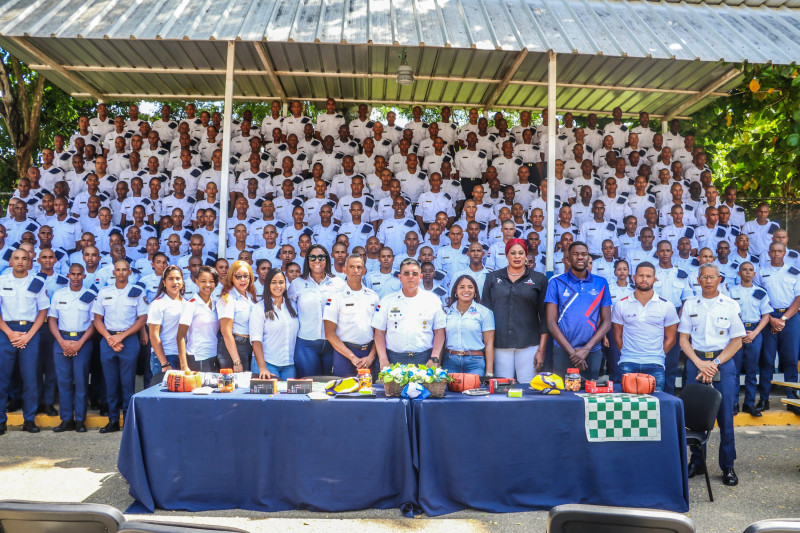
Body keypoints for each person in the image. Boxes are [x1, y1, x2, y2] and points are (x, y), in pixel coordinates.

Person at [678, 263, 745, 487]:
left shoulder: (730, 305)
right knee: (695, 417)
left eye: (712, 277)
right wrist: (699, 363)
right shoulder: (690, 304)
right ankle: (697, 463)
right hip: (696, 361)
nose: (707, 281)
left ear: (719, 279)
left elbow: (736, 341)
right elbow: (683, 339)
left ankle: (728, 466)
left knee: (726, 416)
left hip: (722, 362)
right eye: (704, 277)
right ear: (698, 280)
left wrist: (714, 363)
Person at [92, 260, 148, 434]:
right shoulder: (104, 292)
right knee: (110, 382)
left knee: (127, 382)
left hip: (128, 339)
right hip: (108, 339)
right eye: (118, 270)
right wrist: (110, 338)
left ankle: (129, 422)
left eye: (125, 270)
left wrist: (121, 337)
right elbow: (97, 319)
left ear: (130, 272)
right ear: (113, 272)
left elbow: (142, 319)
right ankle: (113, 420)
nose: (121, 273)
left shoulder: (137, 292)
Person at [482, 238, 547, 383]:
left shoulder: (539, 279)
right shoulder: (493, 278)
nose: (517, 256)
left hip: (529, 344)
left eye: (520, 253)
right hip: (499, 344)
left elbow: (545, 317)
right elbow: (485, 313)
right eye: (513, 253)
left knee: (528, 390)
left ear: (526, 255)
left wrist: (541, 351)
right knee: (502, 390)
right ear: (507, 255)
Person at [0, 249, 50, 435]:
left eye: (24, 258)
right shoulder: (2, 281)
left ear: (30, 262)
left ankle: (29, 420)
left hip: (31, 332)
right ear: (10, 261)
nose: (20, 261)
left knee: (31, 379)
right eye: (16, 258)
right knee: (2, 378)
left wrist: (28, 336)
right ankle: (0, 421)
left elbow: (43, 311)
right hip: (6, 332)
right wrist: (10, 334)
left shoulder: (37, 282)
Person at [546, 241, 612, 380]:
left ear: (588, 258)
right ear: (568, 259)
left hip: (592, 351)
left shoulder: (601, 283)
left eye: (584, 254)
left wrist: (586, 349)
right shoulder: (556, 283)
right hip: (563, 350)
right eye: (576, 254)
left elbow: (607, 322)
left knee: (590, 396)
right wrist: (573, 353)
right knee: (563, 395)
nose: (580, 257)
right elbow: (551, 323)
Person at [611, 262, 680, 391]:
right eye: (641, 275)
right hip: (627, 363)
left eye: (648, 276)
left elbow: (671, 338)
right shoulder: (621, 304)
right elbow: (617, 336)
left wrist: (658, 355)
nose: (644, 279)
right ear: (634, 277)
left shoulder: (666, 305)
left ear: (654, 279)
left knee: (656, 406)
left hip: (655, 364)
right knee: (625, 406)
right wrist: (628, 353)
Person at [47, 263, 96, 433]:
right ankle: (66, 419)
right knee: (64, 382)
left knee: (81, 381)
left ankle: (80, 420)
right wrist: (61, 341)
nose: (75, 277)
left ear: (84, 276)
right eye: (73, 274)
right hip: (62, 339)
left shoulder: (90, 295)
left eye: (79, 274)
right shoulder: (59, 294)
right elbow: (52, 320)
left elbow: (93, 323)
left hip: (82, 341)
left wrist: (79, 343)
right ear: (68, 275)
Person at [372, 258, 446, 367]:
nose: (410, 277)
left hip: (424, 359)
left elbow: (439, 332)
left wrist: (434, 357)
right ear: (400, 277)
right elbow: (379, 332)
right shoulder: (387, 301)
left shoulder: (433, 300)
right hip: (393, 359)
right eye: (406, 273)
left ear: (420, 277)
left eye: (415, 273)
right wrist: (383, 359)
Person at [755, 242, 800, 413]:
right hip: (768, 318)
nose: (776, 254)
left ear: (785, 252)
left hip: (790, 319)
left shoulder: (795, 273)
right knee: (767, 361)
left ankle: (792, 400)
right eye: (773, 251)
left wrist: (782, 319)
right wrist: (772, 319)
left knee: (790, 360)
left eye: (779, 251)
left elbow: (798, 298)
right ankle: (764, 400)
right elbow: (758, 297)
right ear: (768, 253)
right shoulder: (761, 272)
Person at [288, 245, 345, 377]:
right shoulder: (297, 284)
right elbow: (289, 310)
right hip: (306, 343)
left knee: (331, 385)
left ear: (327, 260)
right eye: (312, 257)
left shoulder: (338, 283)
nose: (317, 261)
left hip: (333, 343)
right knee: (309, 384)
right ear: (307, 260)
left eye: (321, 257)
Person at [323, 254, 380, 377]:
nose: (356, 270)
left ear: (364, 271)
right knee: (344, 393)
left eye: (359, 267)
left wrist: (371, 356)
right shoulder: (336, 296)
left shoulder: (373, 296)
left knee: (368, 392)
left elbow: (378, 331)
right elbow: (329, 334)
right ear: (345, 270)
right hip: (344, 354)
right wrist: (352, 357)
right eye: (352, 267)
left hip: (368, 354)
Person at [729, 262, 772, 417]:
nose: (747, 272)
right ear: (739, 274)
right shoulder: (731, 291)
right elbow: (729, 313)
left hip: (754, 332)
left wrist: (754, 333)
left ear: (755, 274)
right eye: (744, 270)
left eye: (751, 270)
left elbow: (766, 315)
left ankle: (749, 404)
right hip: (736, 334)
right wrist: (740, 333)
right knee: (734, 371)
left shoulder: (761, 292)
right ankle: (733, 403)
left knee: (752, 371)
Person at [443, 274, 495, 376]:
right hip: (450, 361)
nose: (466, 290)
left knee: (474, 391)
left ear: (475, 291)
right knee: (447, 392)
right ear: (456, 291)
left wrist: (489, 372)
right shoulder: (446, 312)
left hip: (475, 363)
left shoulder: (484, 312)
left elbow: (489, 343)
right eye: (462, 287)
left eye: (470, 287)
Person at [250, 268, 298, 379]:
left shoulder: (292, 306)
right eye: (274, 282)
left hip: (289, 364)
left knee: (288, 396)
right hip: (267, 364)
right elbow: (256, 340)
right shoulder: (259, 308)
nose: (278, 286)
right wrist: (262, 367)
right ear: (267, 285)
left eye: (281, 282)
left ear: (286, 284)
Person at [177, 266, 220, 372]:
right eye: (203, 281)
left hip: (214, 356)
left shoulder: (216, 303)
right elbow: (180, 336)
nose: (208, 285)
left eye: (211, 281)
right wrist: (183, 365)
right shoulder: (191, 305)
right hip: (197, 358)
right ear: (197, 282)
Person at [217, 260, 258, 372]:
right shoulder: (228, 298)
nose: (242, 280)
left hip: (248, 345)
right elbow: (226, 332)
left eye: (246, 276)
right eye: (238, 276)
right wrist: (236, 361)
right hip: (235, 347)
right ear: (231, 278)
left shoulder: (249, 296)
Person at [146, 265, 186, 376]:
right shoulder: (158, 304)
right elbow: (154, 336)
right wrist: (164, 363)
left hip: (183, 356)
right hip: (165, 357)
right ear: (164, 282)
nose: (175, 282)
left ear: (182, 281)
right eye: (170, 279)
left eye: (178, 278)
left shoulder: (186, 303)